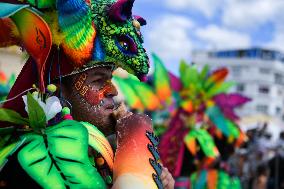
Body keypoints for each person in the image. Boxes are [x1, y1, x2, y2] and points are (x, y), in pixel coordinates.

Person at [0, 0, 174, 188]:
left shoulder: (102, 152)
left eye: (110, 79)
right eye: (98, 80)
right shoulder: (28, 164)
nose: (113, 90)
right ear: (57, 91)